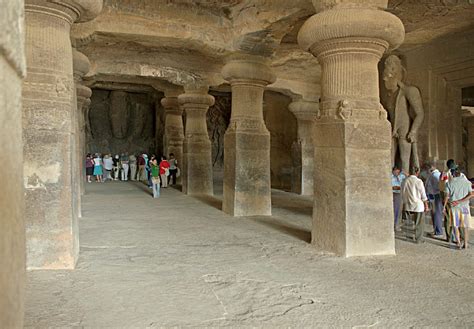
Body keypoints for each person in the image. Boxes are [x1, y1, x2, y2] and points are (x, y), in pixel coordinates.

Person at [381, 55, 424, 174]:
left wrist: (413, 131)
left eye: (389, 74)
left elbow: (419, 114)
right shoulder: (388, 97)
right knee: (389, 159)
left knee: (405, 160)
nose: (385, 79)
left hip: (405, 129)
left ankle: (406, 180)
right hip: (392, 128)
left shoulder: (409, 91)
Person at [443, 166, 472, 249]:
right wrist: (461, 201)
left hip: (454, 207)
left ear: (453, 174)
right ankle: (466, 243)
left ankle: (458, 243)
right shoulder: (467, 182)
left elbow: (447, 196)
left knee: (456, 225)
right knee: (466, 226)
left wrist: (444, 206)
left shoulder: (449, 183)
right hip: (464, 207)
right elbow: (471, 194)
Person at [401, 166, 429, 243]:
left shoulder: (404, 181)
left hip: (408, 204)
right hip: (418, 205)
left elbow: (402, 193)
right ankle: (418, 239)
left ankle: (408, 236)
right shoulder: (418, 181)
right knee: (419, 223)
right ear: (417, 172)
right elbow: (423, 195)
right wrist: (426, 206)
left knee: (409, 222)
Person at [425, 162, 443, 237]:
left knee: (437, 213)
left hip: (436, 195)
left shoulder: (435, 175)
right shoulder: (432, 175)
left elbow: (438, 187)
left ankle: (439, 231)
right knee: (434, 213)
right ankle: (436, 229)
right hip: (432, 196)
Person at [391, 166, 406, 231]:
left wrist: (404, 172)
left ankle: (396, 225)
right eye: (396, 172)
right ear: (393, 171)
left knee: (398, 210)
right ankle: (393, 225)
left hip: (399, 194)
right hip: (393, 193)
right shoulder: (391, 176)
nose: (397, 173)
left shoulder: (401, 176)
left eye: (398, 172)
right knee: (393, 210)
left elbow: (409, 176)